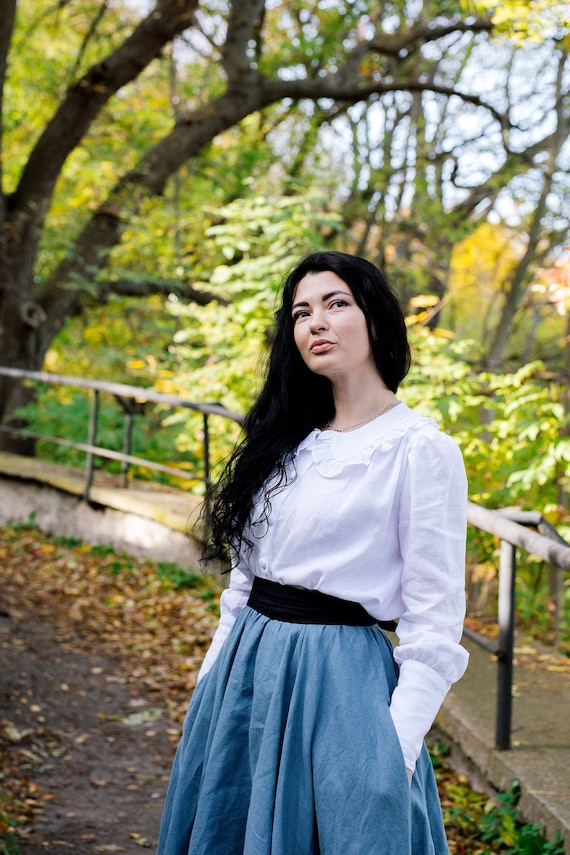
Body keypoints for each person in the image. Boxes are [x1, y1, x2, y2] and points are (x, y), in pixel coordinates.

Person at [157, 250, 469, 855]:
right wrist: (208, 692)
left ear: (375, 319)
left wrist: (392, 756)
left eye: (336, 304)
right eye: (301, 313)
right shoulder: (283, 440)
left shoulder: (419, 450)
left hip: (342, 691)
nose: (315, 323)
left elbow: (434, 627)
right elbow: (240, 589)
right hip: (245, 678)